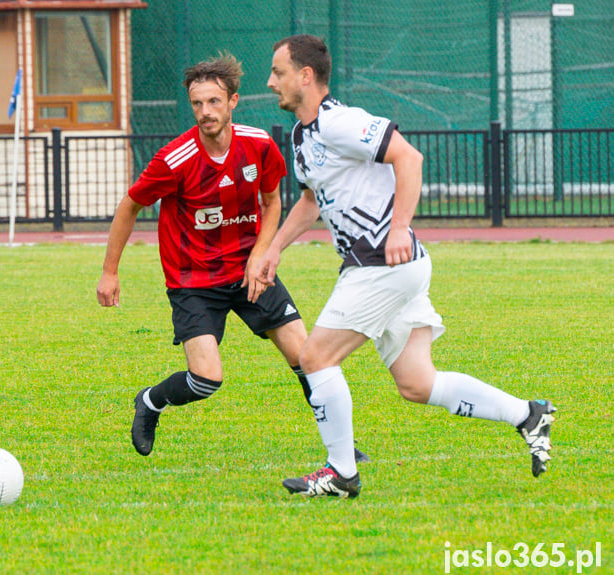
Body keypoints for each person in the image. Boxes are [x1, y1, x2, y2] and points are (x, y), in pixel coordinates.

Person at [259, 35, 555, 499]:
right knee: (417, 382)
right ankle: (528, 415)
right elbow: (311, 201)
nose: (271, 81)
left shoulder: (342, 122)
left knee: (315, 357)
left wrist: (400, 227)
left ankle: (341, 473)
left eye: (278, 72)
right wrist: (274, 248)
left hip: (383, 262)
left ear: (305, 76)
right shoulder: (301, 136)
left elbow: (408, 157)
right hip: (387, 267)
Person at [97, 54, 369, 465]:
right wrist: (110, 272)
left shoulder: (258, 144)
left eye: (214, 102)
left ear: (233, 101)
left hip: (250, 271)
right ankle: (151, 402)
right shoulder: (175, 159)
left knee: (309, 358)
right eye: (197, 104)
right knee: (206, 380)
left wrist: (261, 255)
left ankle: (341, 451)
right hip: (194, 280)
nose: (205, 112)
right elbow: (129, 206)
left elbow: (273, 199)